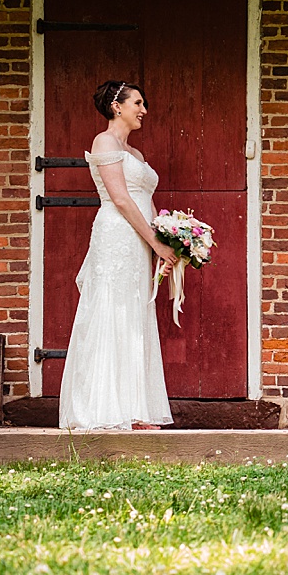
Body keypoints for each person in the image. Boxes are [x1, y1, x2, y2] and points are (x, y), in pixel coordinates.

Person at [58, 80, 177, 431]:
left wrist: (164, 243)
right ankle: (104, 408)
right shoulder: (104, 142)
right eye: (138, 103)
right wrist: (154, 242)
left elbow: (147, 201)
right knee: (112, 310)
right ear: (117, 106)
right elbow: (122, 199)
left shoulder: (135, 155)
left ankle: (136, 409)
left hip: (139, 239)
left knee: (136, 315)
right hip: (116, 236)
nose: (144, 110)